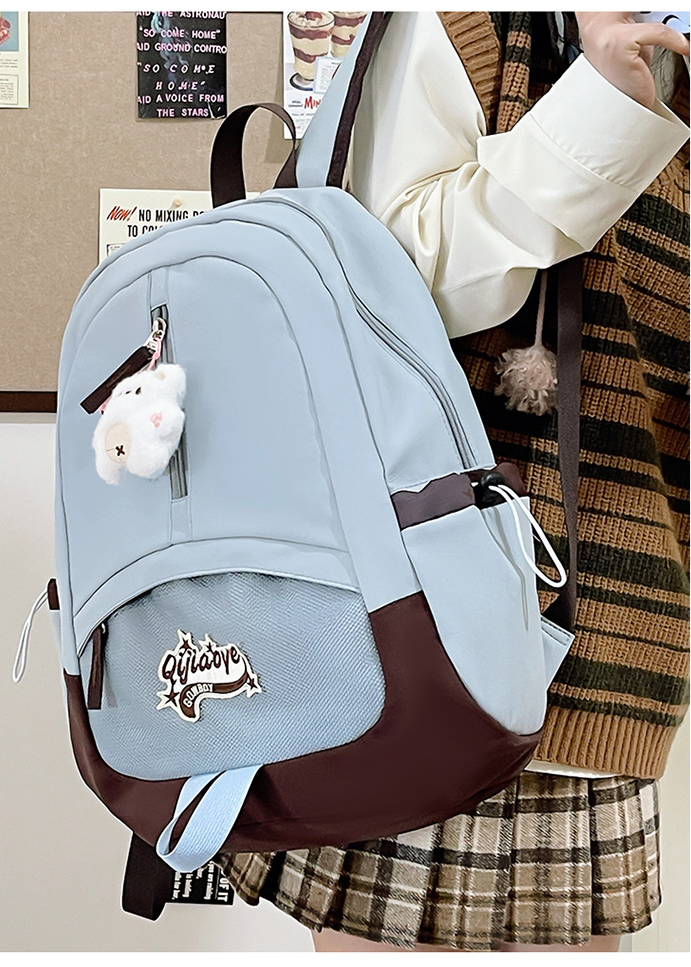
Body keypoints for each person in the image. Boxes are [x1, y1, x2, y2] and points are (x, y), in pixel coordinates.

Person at [217, 11, 690, 952]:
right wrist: (599, 108)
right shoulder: (472, 26)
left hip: (611, 650)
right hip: (427, 641)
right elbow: (384, 282)